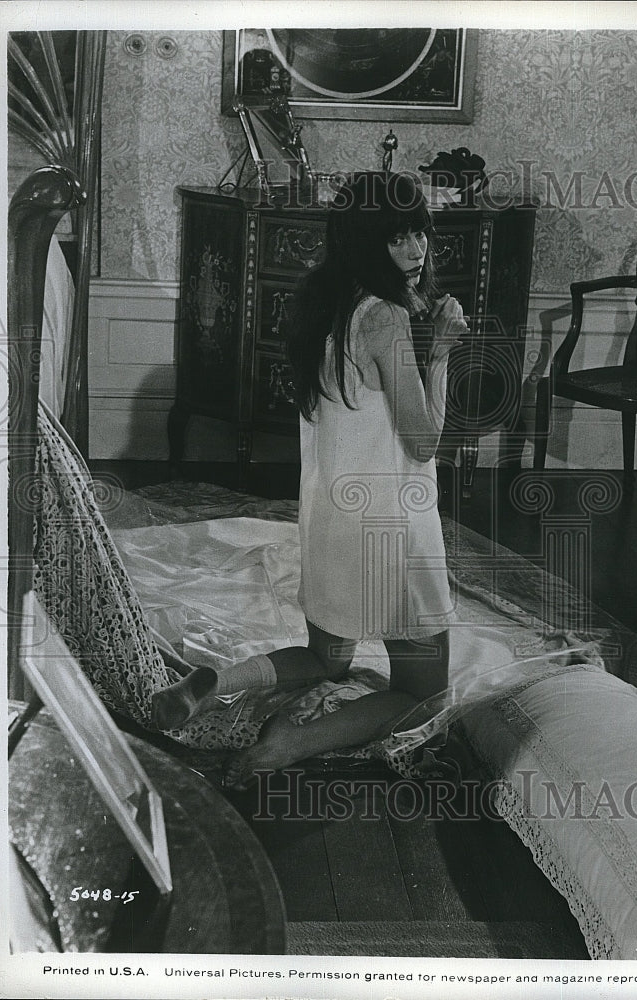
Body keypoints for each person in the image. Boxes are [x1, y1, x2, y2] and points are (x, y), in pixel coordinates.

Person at [152, 171, 466, 771]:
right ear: (363, 241)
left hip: (328, 514)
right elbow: (424, 441)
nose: (416, 250)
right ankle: (287, 744)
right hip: (388, 526)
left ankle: (214, 682)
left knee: (328, 659)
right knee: (428, 696)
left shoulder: (320, 301)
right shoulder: (384, 319)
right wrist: (444, 350)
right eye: (397, 238)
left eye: (419, 233)